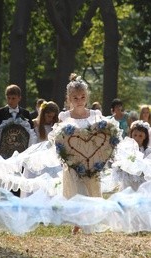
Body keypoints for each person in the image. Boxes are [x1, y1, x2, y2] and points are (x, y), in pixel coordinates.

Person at [57, 73, 105, 234]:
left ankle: (86, 225)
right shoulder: (64, 116)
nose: (79, 100)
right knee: (78, 191)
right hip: (72, 160)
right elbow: (59, 138)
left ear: (87, 97)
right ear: (69, 99)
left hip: (91, 159)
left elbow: (102, 135)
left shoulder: (94, 115)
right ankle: (80, 223)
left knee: (91, 192)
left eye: (82, 97)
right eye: (75, 98)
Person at [114, 120, 151, 191]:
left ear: (145, 137)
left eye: (140, 136)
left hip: (142, 184)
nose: (137, 138)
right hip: (128, 184)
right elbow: (119, 165)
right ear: (131, 135)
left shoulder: (148, 152)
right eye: (135, 135)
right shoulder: (125, 149)